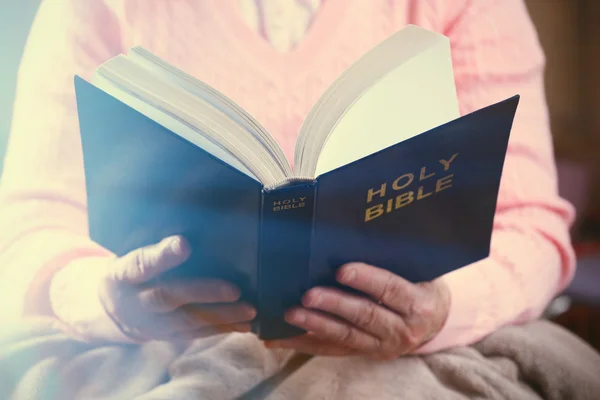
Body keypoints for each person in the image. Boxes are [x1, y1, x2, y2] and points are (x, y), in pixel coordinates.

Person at [0, 0, 577, 375]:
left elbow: (531, 226)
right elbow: (28, 228)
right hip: (151, 353)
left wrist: (444, 311)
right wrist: (106, 300)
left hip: (406, 359)